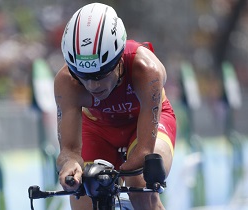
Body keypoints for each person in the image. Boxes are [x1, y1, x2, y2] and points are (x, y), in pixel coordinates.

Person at [55, 3, 177, 210]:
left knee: (140, 187)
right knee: (84, 198)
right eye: (83, 76)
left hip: (143, 124)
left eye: (101, 75)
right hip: (98, 129)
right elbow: (69, 150)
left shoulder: (146, 68)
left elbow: (144, 150)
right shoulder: (66, 81)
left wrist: (137, 170)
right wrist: (70, 166)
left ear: (119, 60)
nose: (92, 85)